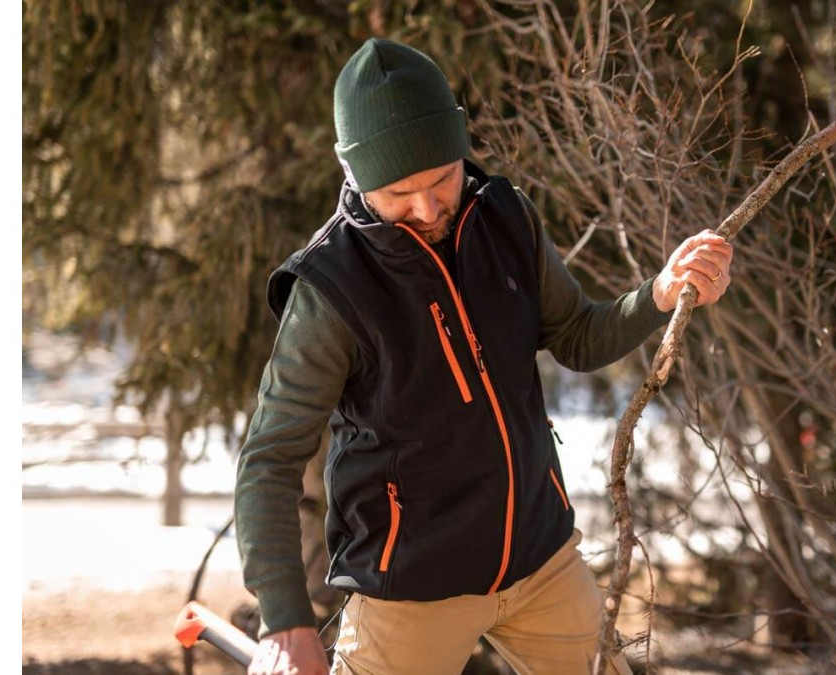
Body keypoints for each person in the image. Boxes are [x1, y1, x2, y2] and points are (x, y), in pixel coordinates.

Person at [235, 37, 735, 675]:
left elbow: (577, 336)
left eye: (441, 178)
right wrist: (285, 621)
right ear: (354, 175)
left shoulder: (506, 217)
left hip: (541, 562)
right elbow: (270, 458)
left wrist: (658, 294)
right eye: (399, 192)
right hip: (412, 590)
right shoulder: (331, 289)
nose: (426, 208)